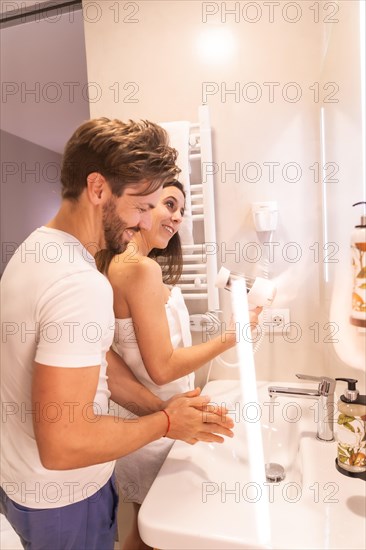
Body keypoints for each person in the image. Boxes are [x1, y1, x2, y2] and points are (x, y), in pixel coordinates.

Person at [0, 118, 234, 550]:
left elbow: (103, 363)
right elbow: (65, 443)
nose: (145, 222)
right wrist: (166, 422)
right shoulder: (77, 282)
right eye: (142, 206)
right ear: (98, 188)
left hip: (27, 485)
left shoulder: (35, 251)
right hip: (64, 498)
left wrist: (161, 406)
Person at [96, 180, 261, 550]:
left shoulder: (131, 267)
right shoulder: (137, 268)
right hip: (154, 424)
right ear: (144, 206)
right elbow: (162, 367)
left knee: (147, 532)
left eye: (183, 210)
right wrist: (232, 337)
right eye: (169, 205)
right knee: (155, 536)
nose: (178, 217)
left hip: (154, 416)